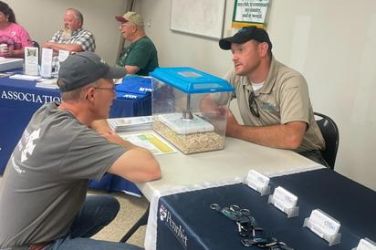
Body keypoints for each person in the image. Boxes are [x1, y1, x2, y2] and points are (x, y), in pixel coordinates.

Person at [0, 51, 161, 249]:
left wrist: (100, 126)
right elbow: (149, 168)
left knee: (107, 206)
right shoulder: (71, 137)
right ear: (91, 94)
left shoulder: (48, 111)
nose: (115, 95)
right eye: (112, 88)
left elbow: (94, 120)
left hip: (20, 229)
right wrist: (115, 140)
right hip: (26, 246)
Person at [217, 26, 327, 165]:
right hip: (262, 150)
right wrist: (215, 110)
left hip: (303, 157)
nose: (234, 57)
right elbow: (208, 99)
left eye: (241, 50)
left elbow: (292, 137)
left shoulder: (291, 81)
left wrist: (235, 130)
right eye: (233, 52)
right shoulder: (237, 75)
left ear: (262, 49)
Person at [115, 11, 158, 76]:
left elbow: (128, 71)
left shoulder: (144, 44)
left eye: (123, 26)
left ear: (133, 28)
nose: (120, 28)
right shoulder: (135, 43)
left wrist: (107, 71)